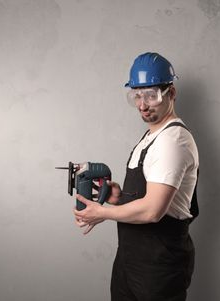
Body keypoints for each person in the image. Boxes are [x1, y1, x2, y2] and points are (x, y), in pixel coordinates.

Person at [73, 52, 199, 301]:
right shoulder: (152, 136)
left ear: (171, 93)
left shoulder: (172, 140)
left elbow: (153, 210)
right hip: (130, 260)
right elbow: (147, 197)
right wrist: (119, 199)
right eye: (137, 95)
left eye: (151, 95)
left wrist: (102, 213)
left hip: (159, 265)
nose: (142, 104)